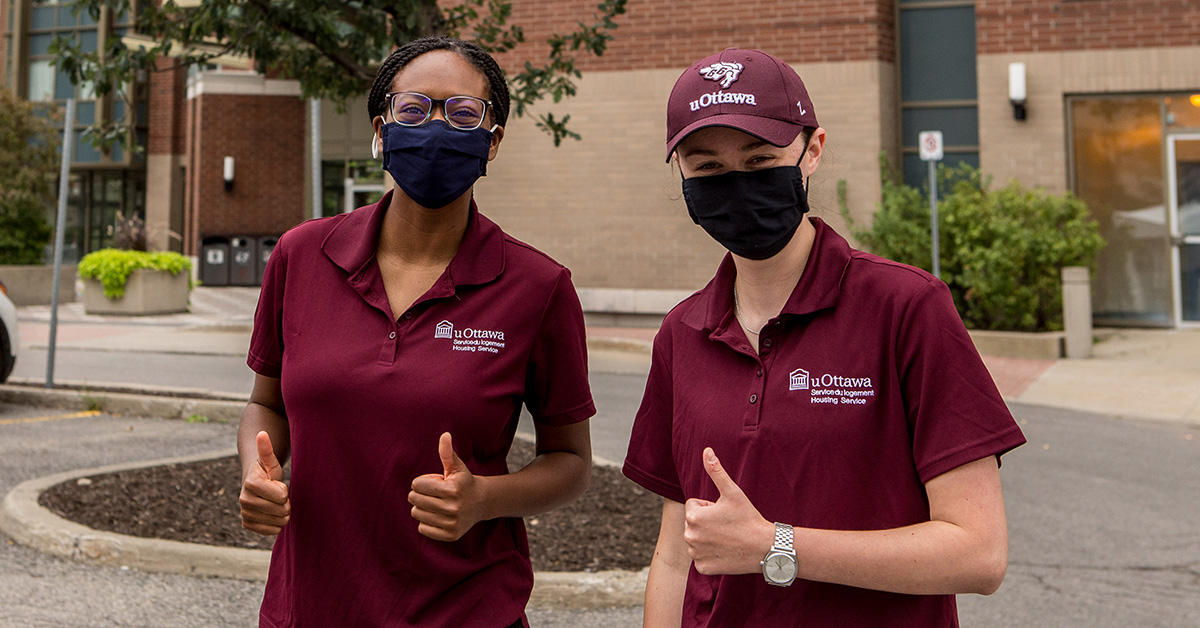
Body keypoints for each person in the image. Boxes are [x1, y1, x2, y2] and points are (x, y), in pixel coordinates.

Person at [623, 48, 1026, 627]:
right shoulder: (682, 332)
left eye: (761, 159)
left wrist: (775, 546)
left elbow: (978, 553)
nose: (736, 184)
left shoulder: (906, 307)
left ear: (812, 151)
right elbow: (674, 557)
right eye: (707, 168)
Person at [237, 36, 595, 628]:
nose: (436, 127)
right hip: (309, 607)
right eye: (413, 109)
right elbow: (265, 404)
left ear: (493, 140)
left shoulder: (538, 287)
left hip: (465, 612)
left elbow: (571, 461)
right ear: (382, 131)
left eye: (462, 113)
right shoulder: (300, 256)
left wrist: (485, 499)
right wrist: (255, 472)